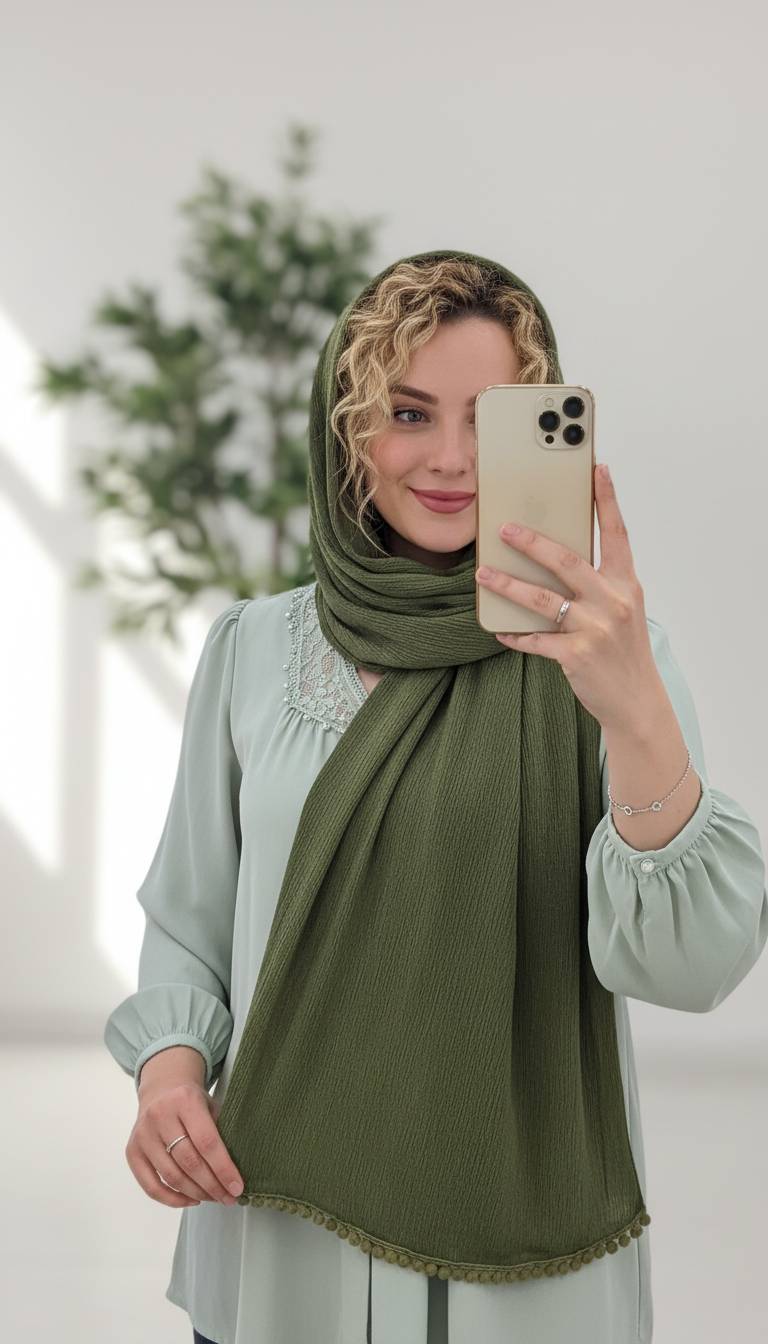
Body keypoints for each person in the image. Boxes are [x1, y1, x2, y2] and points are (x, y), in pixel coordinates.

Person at [104, 249, 767, 1344]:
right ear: (348, 428)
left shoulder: (615, 659)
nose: (452, 459)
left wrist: (636, 714)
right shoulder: (252, 649)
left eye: (489, 419)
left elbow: (690, 968)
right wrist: (168, 1077)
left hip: (527, 1283)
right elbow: (190, 921)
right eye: (409, 413)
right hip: (278, 1241)